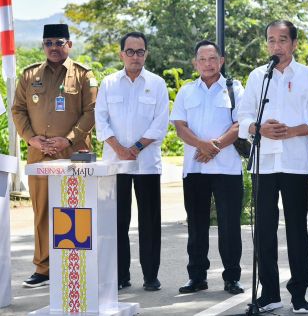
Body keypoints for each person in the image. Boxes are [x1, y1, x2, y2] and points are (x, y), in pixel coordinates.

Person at [237, 20, 308, 314]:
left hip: (294, 163)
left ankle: (299, 293)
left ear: (293, 43)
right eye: (271, 40)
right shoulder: (257, 77)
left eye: (281, 40)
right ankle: (269, 293)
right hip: (264, 163)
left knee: (296, 229)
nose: (275, 46)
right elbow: (242, 118)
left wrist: (295, 131)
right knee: (264, 230)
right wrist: (258, 128)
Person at [12, 24, 97, 288]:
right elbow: (18, 110)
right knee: (41, 212)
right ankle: (43, 267)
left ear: (69, 45)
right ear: (43, 46)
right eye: (48, 43)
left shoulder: (83, 75)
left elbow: (91, 111)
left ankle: (76, 264)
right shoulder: (29, 75)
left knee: (75, 210)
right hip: (39, 155)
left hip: (74, 155)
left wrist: (68, 139)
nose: (53, 48)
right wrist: (30, 138)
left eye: (59, 42)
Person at [95, 32, 169, 291]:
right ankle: (120, 275)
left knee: (149, 222)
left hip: (147, 164)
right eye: (130, 51)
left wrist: (136, 148)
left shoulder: (157, 83)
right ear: (121, 54)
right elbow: (100, 121)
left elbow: (160, 123)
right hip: (115, 165)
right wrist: (119, 148)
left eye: (140, 52)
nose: (135, 56)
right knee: (117, 222)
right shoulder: (109, 83)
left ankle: (151, 275)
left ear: (146, 54)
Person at [170, 40, 245, 295]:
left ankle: (232, 278)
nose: (208, 64)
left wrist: (215, 147)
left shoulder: (235, 89)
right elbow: (180, 126)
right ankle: (197, 277)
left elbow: (239, 125)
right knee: (197, 226)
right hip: (195, 170)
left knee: (230, 227)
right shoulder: (186, 91)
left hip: (227, 169)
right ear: (195, 63)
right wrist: (202, 145)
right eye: (202, 59)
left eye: (212, 59)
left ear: (221, 60)